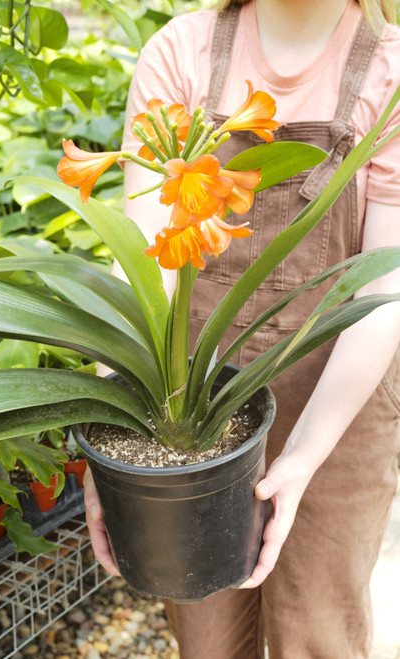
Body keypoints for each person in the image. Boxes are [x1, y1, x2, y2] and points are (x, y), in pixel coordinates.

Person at [83, 0, 400, 656]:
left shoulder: (389, 71)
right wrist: (110, 443)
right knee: (205, 637)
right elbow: (146, 267)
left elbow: (382, 289)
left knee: (319, 634)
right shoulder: (180, 52)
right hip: (193, 421)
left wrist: (303, 456)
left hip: (337, 415)